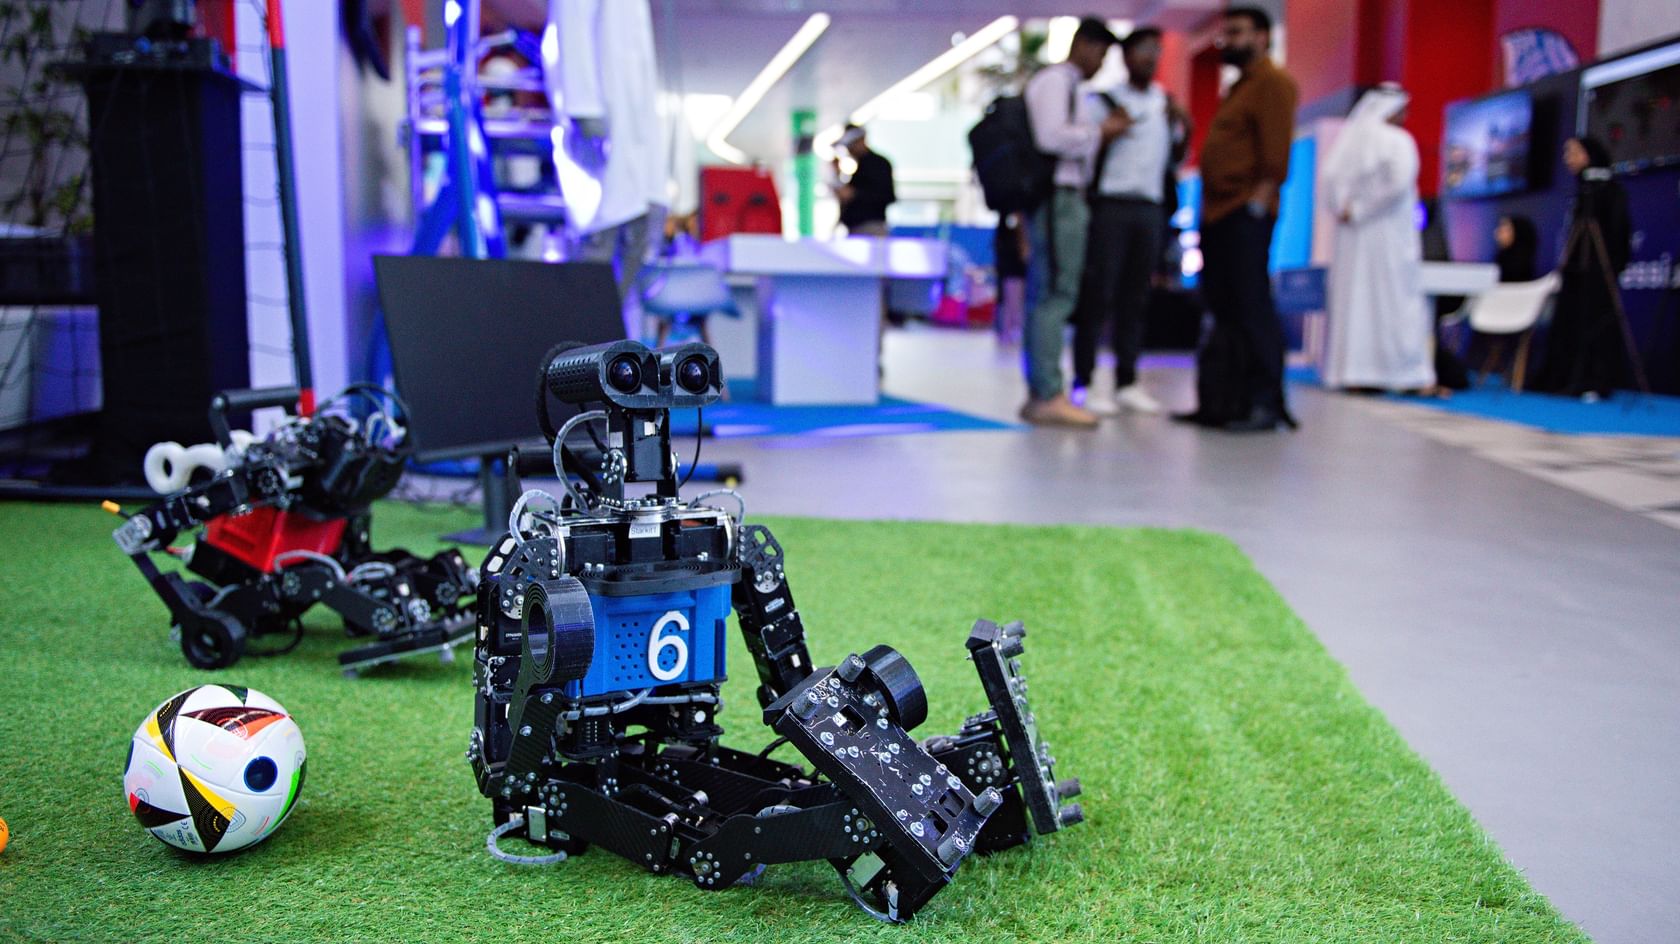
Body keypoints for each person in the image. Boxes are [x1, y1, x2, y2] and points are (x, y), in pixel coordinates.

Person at [1180, 5, 1299, 431]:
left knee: (1251, 306)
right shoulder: (1239, 87)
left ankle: (1266, 403)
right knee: (1223, 308)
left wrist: (1256, 204)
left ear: (1262, 37)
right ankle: (1224, 401)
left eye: (1237, 32)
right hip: (1218, 213)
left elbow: (1275, 155)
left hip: (1243, 212)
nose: (1227, 40)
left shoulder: (1273, 83)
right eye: (1226, 32)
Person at [1019, 16, 1128, 428]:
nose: (1100, 63)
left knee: (1047, 293)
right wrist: (1100, 133)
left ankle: (1042, 391)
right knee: (1057, 292)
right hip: (1058, 197)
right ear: (1083, 45)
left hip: (1060, 198)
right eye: (1100, 53)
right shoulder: (1057, 82)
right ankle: (1049, 393)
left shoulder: (1065, 85)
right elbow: (1050, 137)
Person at [1070, 26, 1175, 416]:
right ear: (1127, 57)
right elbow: (1084, 150)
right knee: (1098, 294)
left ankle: (1127, 380)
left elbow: (1173, 157)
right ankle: (1084, 381)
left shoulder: (1164, 103)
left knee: (1136, 296)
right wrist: (1109, 132)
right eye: (1142, 49)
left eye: (1156, 50)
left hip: (1150, 206)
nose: (1150, 57)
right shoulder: (1105, 100)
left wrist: (1182, 126)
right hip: (1111, 206)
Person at [1320, 84, 1434, 393]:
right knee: (1396, 300)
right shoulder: (1398, 141)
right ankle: (1405, 375)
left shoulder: (1348, 142)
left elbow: (1330, 181)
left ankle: (1355, 373)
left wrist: (1348, 209)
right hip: (1389, 237)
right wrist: (1362, 209)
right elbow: (1398, 183)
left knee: (1355, 302)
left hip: (1353, 238)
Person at [1534, 137, 1633, 400]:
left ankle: (1594, 380)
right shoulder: (1581, 192)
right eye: (1566, 152)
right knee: (1568, 320)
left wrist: (1612, 266)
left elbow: (1619, 234)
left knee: (1597, 323)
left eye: (1573, 152)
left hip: (1599, 273)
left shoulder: (1610, 192)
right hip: (1575, 273)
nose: (1567, 158)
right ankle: (1564, 377)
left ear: (1589, 154)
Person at [835, 124, 895, 237]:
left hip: (871, 228)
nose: (850, 150)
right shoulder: (859, 168)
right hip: (855, 228)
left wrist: (854, 194)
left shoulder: (878, 165)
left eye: (851, 145)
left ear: (861, 140)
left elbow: (886, 196)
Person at [1494, 214, 1539, 283]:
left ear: (1517, 233)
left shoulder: (1519, 265)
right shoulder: (1501, 257)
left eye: (1503, 230)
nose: (1497, 233)